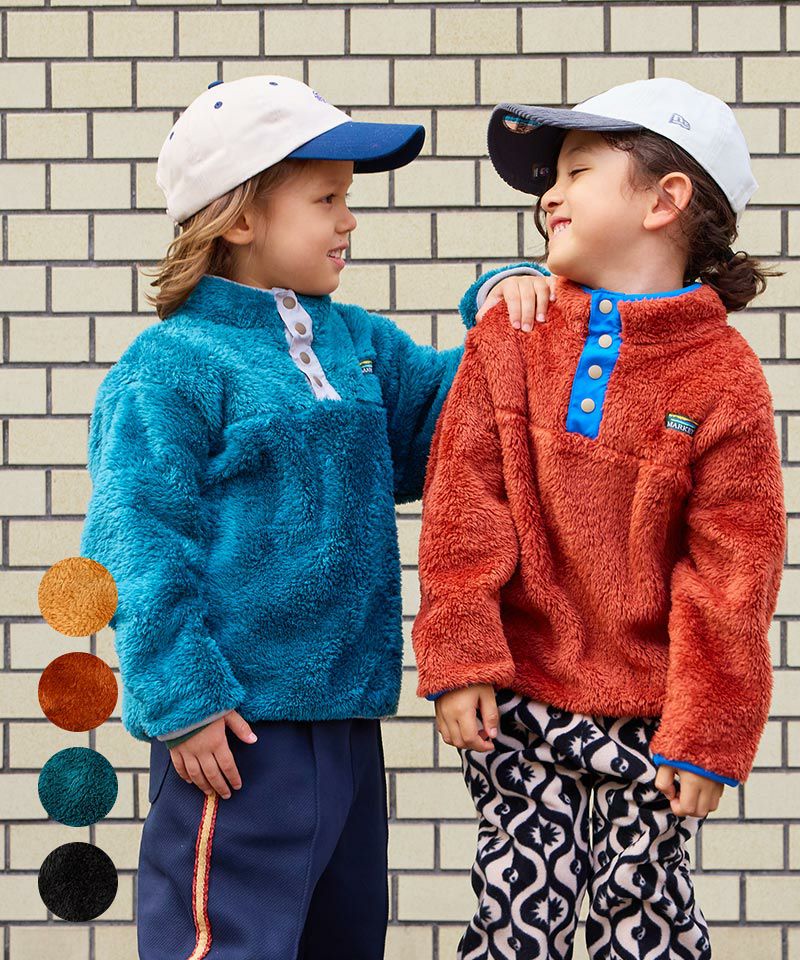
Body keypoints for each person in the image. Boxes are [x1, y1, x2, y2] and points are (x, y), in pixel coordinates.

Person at [78, 75, 554, 960]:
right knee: (230, 943)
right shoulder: (172, 363)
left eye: (347, 198)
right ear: (240, 218)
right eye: (326, 199)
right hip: (236, 727)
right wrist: (183, 701)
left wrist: (504, 301)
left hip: (347, 717)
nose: (349, 219)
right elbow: (135, 542)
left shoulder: (356, 341)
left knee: (344, 939)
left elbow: (451, 424)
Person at [411, 77, 786, 960]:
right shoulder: (508, 336)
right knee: (515, 917)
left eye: (578, 171)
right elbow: (463, 508)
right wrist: (460, 658)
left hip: (653, 719)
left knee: (646, 919)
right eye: (553, 177)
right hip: (517, 698)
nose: (550, 193)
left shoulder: (725, 376)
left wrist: (708, 732)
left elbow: (735, 571)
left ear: (665, 200)